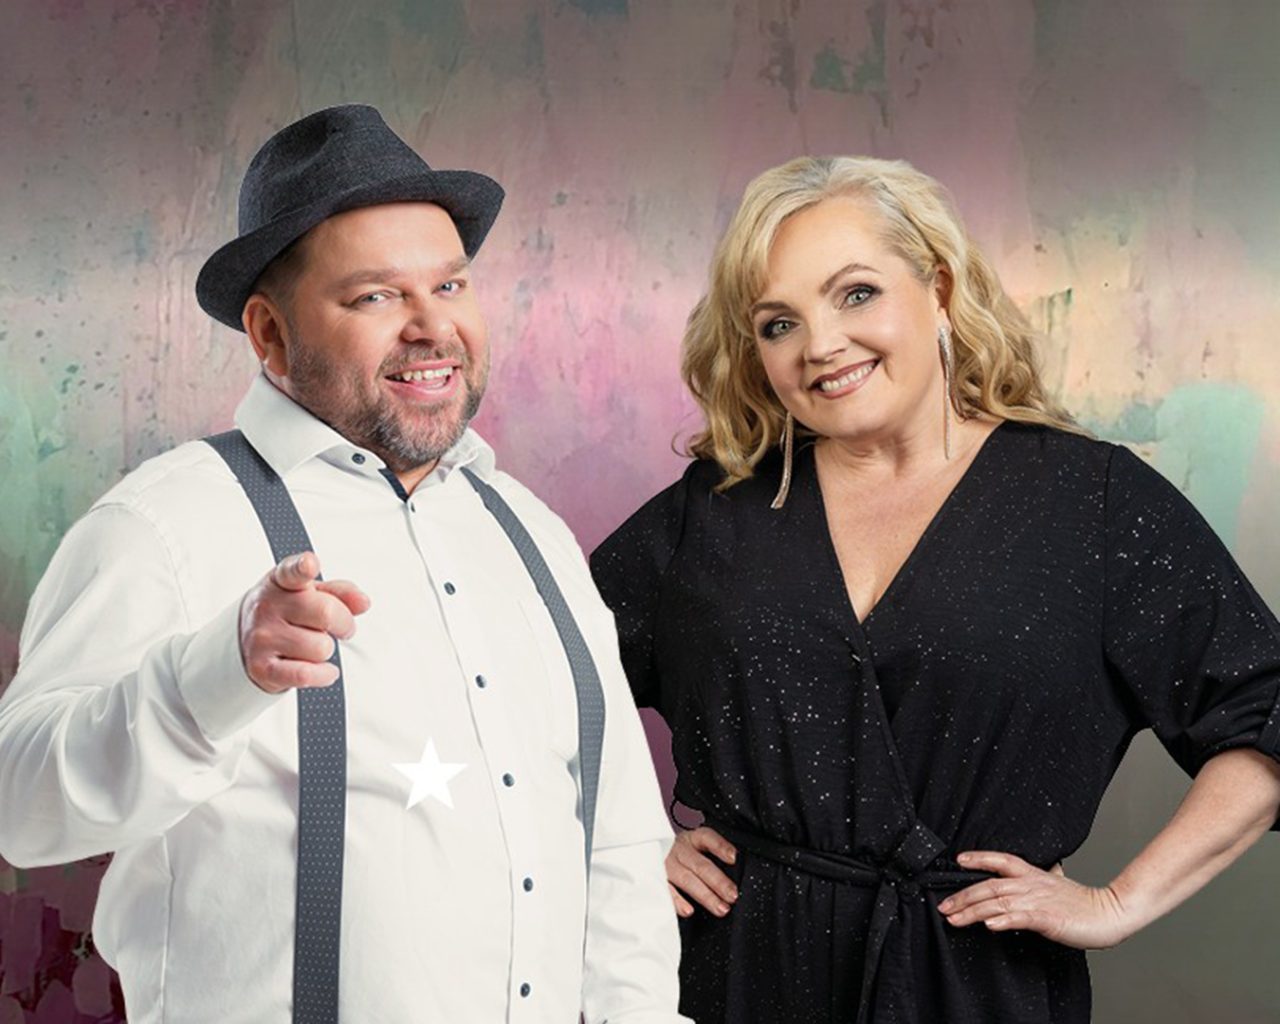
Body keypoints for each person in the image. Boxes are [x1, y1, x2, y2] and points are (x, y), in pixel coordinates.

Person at [0, 105, 688, 1024]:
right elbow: (20, 807)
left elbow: (617, 843)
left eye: (450, 284)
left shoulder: (533, 533)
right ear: (270, 335)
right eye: (375, 297)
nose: (432, 327)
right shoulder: (162, 523)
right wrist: (213, 678)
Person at [590, 155, 1280, 1023]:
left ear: (940, 290)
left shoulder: (1092, 502)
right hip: (735, 976)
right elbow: (520, 689)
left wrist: (1119, 903)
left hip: (980, 986)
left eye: (856, 294)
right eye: (778, 323)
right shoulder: (713, 511)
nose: (820, 345)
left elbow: (1264, 710)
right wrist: (621, 844)